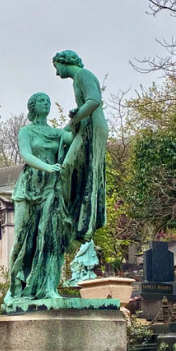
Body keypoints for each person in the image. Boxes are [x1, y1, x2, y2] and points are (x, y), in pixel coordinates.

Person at [3, 92, 74, 307]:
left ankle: (47, 287)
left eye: (49, 101)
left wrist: (78, 117)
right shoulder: (26, 131)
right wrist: (48, 167)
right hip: (29, 187)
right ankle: (14, 288)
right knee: (23, 239)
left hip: (51, 188)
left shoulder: (56, 133)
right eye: (42, 101)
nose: (47, 103)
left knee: (50, 237)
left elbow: (74, 137)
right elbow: (26, 155)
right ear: (33, 106)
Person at [52, 50, 108, 241]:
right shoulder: (77, 80)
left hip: (93, 127)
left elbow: (94, 101)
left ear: (64, 62)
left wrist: (76, 116)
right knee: (75, 171)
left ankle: (86, 225)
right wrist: (69, 125)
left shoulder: (84, 75)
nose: (57, 73)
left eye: (56, 67)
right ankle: (77, 217)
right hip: (85, 127)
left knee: (88, 174)